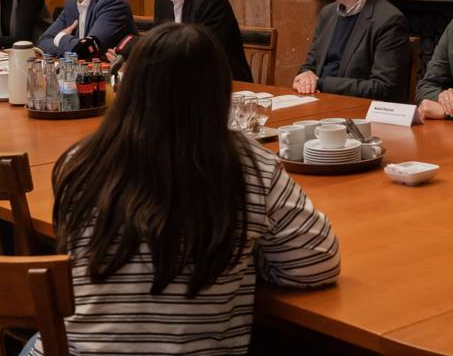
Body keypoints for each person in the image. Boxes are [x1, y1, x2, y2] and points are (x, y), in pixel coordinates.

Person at [23, 23, 339, 355]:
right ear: (218, 93)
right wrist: (249, 251)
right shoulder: (249, 166)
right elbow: (317, 264)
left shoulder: (82, 160)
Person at [293, 0, 411, 102]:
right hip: (318, 104)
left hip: (358, 115)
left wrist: (321, 83)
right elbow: (310, 65)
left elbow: (382, 88)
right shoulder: (327, 14)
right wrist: (304, 76)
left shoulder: (389, 21)